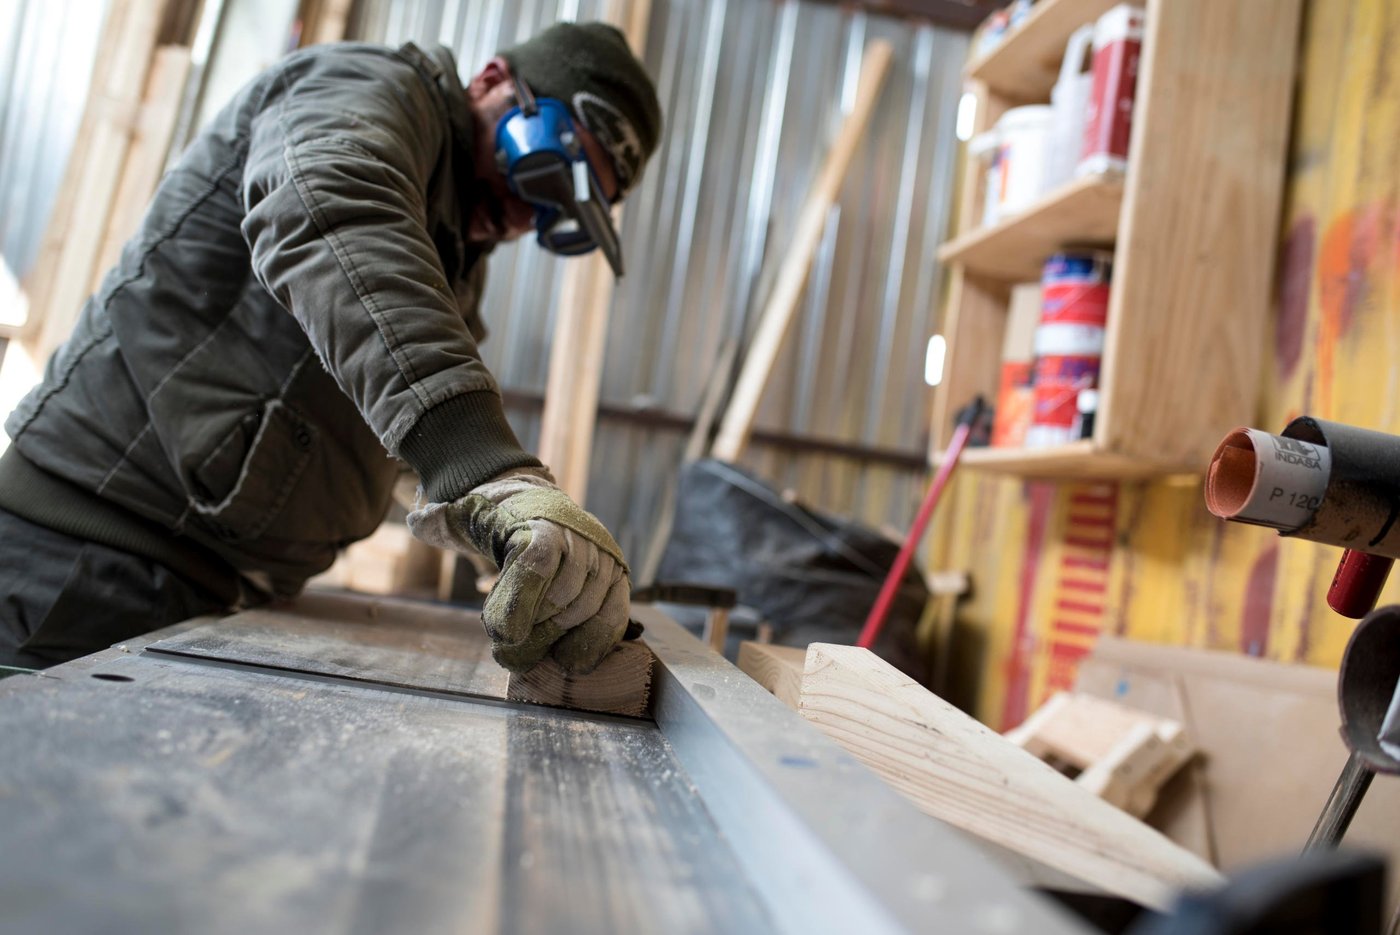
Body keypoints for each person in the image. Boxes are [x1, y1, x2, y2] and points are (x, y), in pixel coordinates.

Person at [0, 23, 662, 675]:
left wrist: (501, 529)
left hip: (204, 587)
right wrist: (482, 463)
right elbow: (331, 202)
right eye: (540, 173)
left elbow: (382, 398)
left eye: (557, 218)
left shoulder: (457, 244)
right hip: (85, 559)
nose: (524, 217)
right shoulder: (362, 86)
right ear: (490, 79)